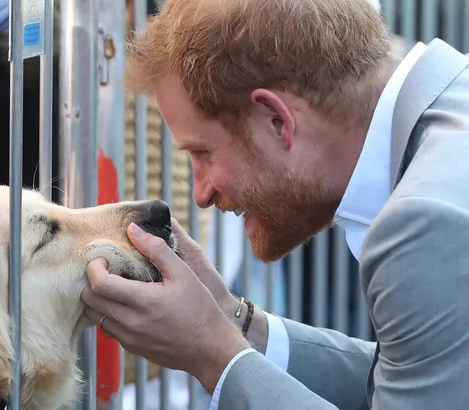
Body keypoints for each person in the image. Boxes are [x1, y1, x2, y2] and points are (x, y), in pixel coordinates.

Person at [80, 0, 469, 409]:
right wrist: (233, 321)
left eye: (203, 153)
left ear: (277, 120)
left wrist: (213, 355)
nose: (201, 193)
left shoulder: (423, 224)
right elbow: (417, 377)